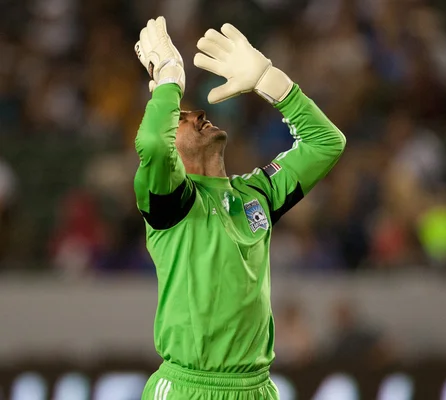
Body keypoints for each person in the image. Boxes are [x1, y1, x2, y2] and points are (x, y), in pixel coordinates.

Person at [133, 17, 346, 400]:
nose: (197, 114)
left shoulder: (257, 194)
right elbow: (151, 142)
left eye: (192, 111)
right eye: (181, 118)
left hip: (256, 388)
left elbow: (326, 143)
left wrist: (270, 81)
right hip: (187, 388)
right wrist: (168, 78)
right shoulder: (171, 200)